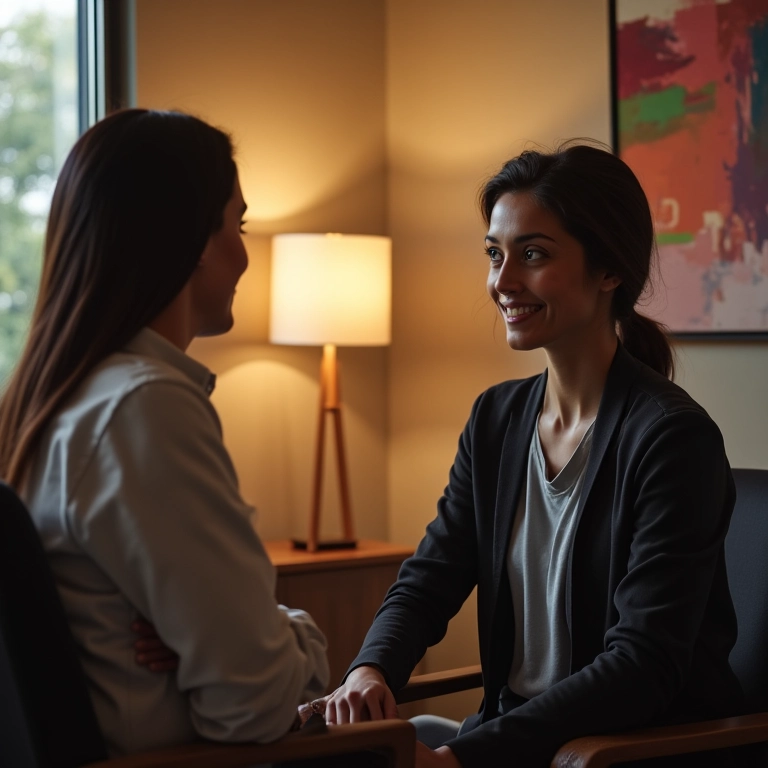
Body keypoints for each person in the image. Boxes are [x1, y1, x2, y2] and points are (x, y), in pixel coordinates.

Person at [321, 143, 743, 767]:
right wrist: (370, 668)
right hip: (514, 741)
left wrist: (460, 760)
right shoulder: (496, 419)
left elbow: (642, 665)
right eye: (495, 254)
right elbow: (431, 577)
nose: (503, 282)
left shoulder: (672, 439)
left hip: (623, 754)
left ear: (608, 270)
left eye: (534, 254)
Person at [0, 108, 329, 756]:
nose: (245, 253)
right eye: (238, 225)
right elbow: (256, 703)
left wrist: (220, 643)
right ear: (195, 239)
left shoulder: (49, 402)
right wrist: (300, 636)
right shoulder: (144, 408)